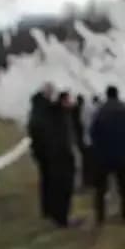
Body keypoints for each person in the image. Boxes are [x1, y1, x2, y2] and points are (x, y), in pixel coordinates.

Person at [90, 86, 125, 225]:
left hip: (103, 156)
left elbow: (93, 132)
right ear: (117, 94)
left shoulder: (100, 111)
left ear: (106, 95)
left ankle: (100, 217)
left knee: (101, 189)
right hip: (121, 155)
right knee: (123, 187)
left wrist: (98, 148)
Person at [45, 91, 77, 227]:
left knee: (60, 189)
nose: (71, 103)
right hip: (62, 159)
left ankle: (60, 216)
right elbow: (62, 140)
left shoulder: (58, 115)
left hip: (58, 158)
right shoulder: (60, 117)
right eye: (69, 100)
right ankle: (62, 218)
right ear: (63, 101)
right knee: (63, 189)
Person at [27, 82, 54, 220]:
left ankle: (47, 209)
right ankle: (49, 209)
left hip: (41, 150)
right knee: (49, 181)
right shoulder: (43, 110)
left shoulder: (36, 109)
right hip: (46, 151)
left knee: (46, 181)